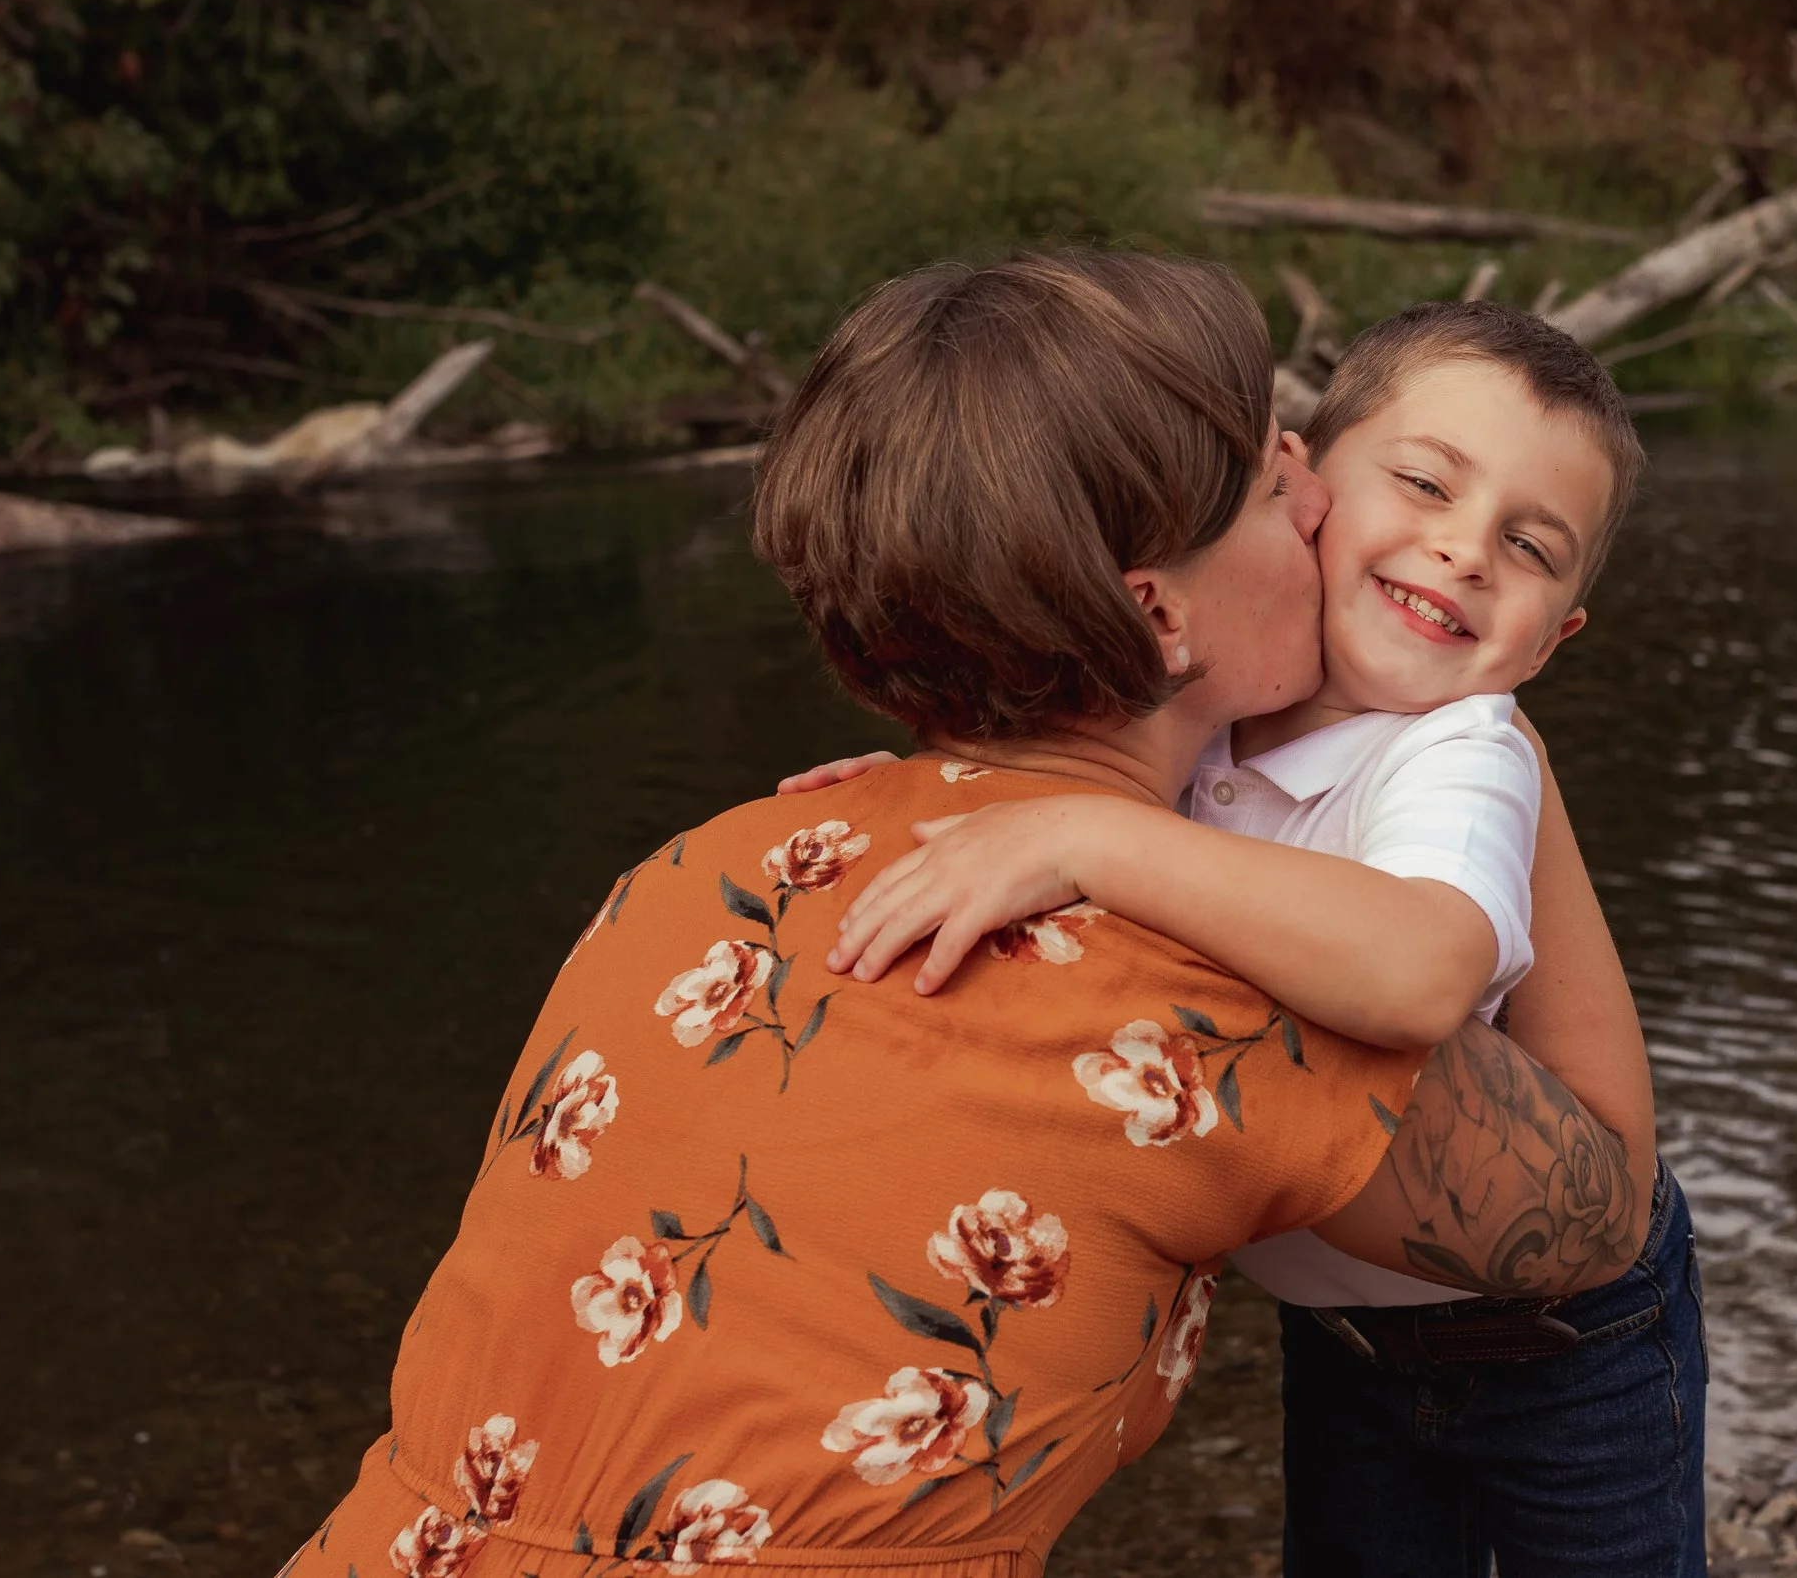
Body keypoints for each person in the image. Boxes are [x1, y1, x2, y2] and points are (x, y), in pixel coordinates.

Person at [278, 251, 1648, 1578]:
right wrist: (1503, 745)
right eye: (1264, 481)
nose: (1312, 491)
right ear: (1155, 616)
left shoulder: (690, 872)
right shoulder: (1204, 1006)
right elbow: (1605, 1212)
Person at [800, 302, 1706, 1577]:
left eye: (1528, 544)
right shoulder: (1210, 716)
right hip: (1344, 1334)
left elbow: (1418, 970)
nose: (1463, 550)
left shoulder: (1459, 750)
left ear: (1550, 640)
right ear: (1308, 494)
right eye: (1425, 483)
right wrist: (934, 800)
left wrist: (1083, 838)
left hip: (1574, 1347)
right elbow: (1057, 768)